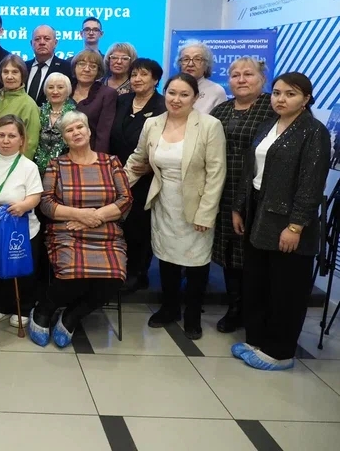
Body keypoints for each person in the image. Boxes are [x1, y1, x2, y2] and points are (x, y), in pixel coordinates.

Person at [231, 72, 330, 371]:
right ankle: (257, 340)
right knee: (258, 282)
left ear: (306, 99)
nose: (281, 99)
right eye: (276, 93)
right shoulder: (269, 125)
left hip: (288, 221)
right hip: (258, 213)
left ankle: (280, 352)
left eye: (290, 94)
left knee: (286, 289)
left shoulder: (314, 132)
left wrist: (296, 226)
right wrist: (239, 208)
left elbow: (311, 185)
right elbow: (250, 171)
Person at [124, 73, 226, 339]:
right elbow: (138, 158)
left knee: (196, 263)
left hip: (196, 204)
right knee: (166, 258)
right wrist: (116, 186)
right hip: (164, 201)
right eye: (172, 92)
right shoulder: (153, 123)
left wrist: (206, 213)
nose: (176, 99)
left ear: (195, 97)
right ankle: (169, 308)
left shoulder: (209, 125)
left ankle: (193, 315)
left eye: (184, 94)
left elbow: (216, 173)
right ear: (165, 93)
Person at [30, 110, 132, 348]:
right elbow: (46, 203)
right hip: (67, 231)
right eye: (69, 130)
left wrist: (93, 217)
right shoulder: (56, 165)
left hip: (106, 232)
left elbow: (126, 199)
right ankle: (44, 309)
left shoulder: (111, 162)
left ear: (89, 131)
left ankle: (72, 316)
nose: (76, 133)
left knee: (115, 278)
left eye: (79, 127)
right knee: (72, 274)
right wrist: (79, 215)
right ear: (64, 137)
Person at [210, 57, 275, 333]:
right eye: (235, 75)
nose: (241, 79)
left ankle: (257, 309)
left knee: (254, 250)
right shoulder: (221, 110)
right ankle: (235, 307)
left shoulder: (273, 108)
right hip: (224, 189)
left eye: (248, 74)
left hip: (260, 192)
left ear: (262, 79)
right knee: (229, 251)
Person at [0, 115, 43, 327]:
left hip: (21, 228)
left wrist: (23, 205)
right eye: (1, 135)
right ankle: (0, 305)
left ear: (21, 139)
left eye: (12, 136)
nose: (5, 140)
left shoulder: (28, 166)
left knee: (22, 270)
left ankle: (24, 307)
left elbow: (35, 196)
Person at [109, 58, 166, 292]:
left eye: (143, 75)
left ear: (155, 79)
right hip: (115, 172)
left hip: (145, 176)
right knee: (119, 224)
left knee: (139, 226)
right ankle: (119, 269)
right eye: (134, 75)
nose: (137, 79)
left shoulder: (162, 106)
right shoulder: (122, 101)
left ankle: (138, 273)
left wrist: (152, 166)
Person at [0, 54, 40, 160]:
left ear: (22, 75)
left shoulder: (29, 105)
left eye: (15, 72)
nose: (9, 77)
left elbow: (30, 145)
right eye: (5, 72)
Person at [72, 49, 117, 153]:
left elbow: (104, 133)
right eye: (82, 64)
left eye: (93, 66)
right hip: (62, 152)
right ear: (74, 67)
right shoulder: (65, 89)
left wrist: (98, 159)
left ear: (98, 71)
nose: (87, 69)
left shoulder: (107, 94)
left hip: (91, 153)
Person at [33, 73, 76, 175]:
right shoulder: (38, 111)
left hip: (65, 168)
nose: (55, 91)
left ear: (68, 90)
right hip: (37, 167)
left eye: (60, 87)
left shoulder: (74, 114)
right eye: (51, 87)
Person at [25, 25, 73, 106]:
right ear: (31, 43)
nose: (42, 42)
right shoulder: (24, 67)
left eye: (47, 39)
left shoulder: (66, 68)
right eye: (37, 39)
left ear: (55, 43)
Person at [177, 43, 227, 113]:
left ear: (206, 64)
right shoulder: (173, 87)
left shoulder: (216, 91)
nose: (190, 64)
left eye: (197, 59)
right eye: (186, 59)